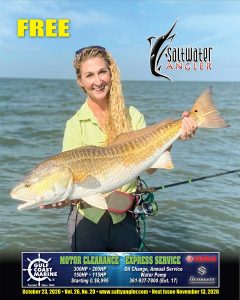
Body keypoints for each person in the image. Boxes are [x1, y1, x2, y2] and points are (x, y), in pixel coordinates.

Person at [40, 46, 198, 251]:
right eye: (89, 75)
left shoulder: (133, 116)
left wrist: (177, 133)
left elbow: (150, 168)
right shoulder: (74, 124)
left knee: (128, 281)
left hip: (125, 220)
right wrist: (61, 197)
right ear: (80, 81)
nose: (98, 81)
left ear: (111, 73)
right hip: (87, 221)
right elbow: (69, 181)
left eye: (102, 72)